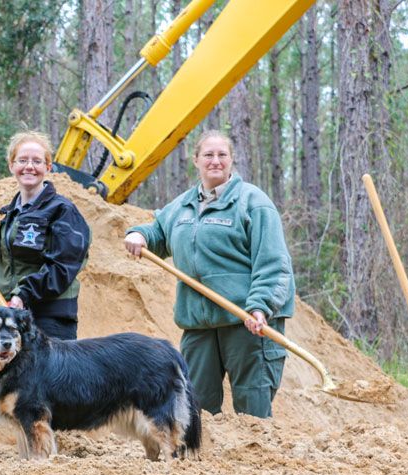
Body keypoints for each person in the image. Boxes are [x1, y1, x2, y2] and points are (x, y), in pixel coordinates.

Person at [123, 130, 295, 419]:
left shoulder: (254, 203)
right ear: (196, 160)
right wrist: (140, 234)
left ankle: (256, 462)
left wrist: (260, 307)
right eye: (208, 155)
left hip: (245, 321)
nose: (215, 161)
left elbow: (274, 263)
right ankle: (198, 465)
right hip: (199, 323)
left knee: (253, 411)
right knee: (194, 409)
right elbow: (159, 231)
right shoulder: (183, 205)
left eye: (222, 155)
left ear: (232, 160)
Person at [0, 131, 90, 340]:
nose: (29, 166)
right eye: (22, 160)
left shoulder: (63, 211)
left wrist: (23, 293)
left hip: (49, 318)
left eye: (37, 161)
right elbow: (11, 248)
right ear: (11, 165)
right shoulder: (14, 210)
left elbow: (63, 266)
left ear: (48, 167)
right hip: (13, 313)